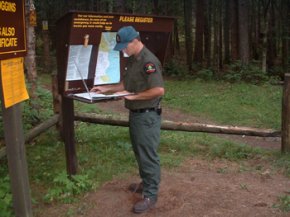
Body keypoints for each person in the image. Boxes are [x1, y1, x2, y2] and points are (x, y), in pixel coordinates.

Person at [91, 26, 164, 213]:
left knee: (148, 156)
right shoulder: (133, 59)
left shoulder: (148, 61)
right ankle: (146, 183)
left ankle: (150, 195)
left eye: (125, 46)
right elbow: (127, 83)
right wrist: (106, 89)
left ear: (135, 40)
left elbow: (158, 90)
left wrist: (134, 96)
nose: (123, 50)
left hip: (147, 116)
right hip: (137, 115)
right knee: (140, 153)